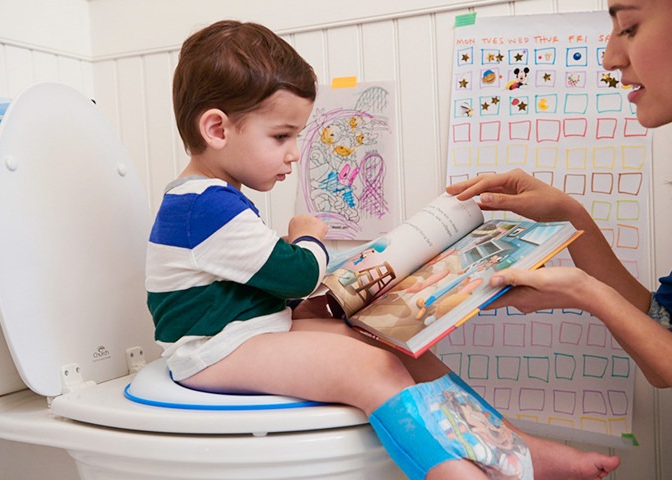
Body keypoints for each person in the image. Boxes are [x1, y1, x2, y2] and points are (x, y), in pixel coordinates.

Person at [146, 19, 619, 480]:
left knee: (394, 343)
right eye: (281, 136)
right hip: (212, 352)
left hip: (244, 335)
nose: (294, 153)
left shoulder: (214, 200)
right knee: (370, 367)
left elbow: (254, 283)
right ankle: (455, 473)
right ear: (217, 129)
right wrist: (306, 234)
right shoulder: (202, 208)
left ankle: (518, 450)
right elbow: (295, 275)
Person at [447, 0, 672, 423]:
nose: (610, 57)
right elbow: (671, 352)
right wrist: (572, 219)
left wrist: (590, 295)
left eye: (628, 27)